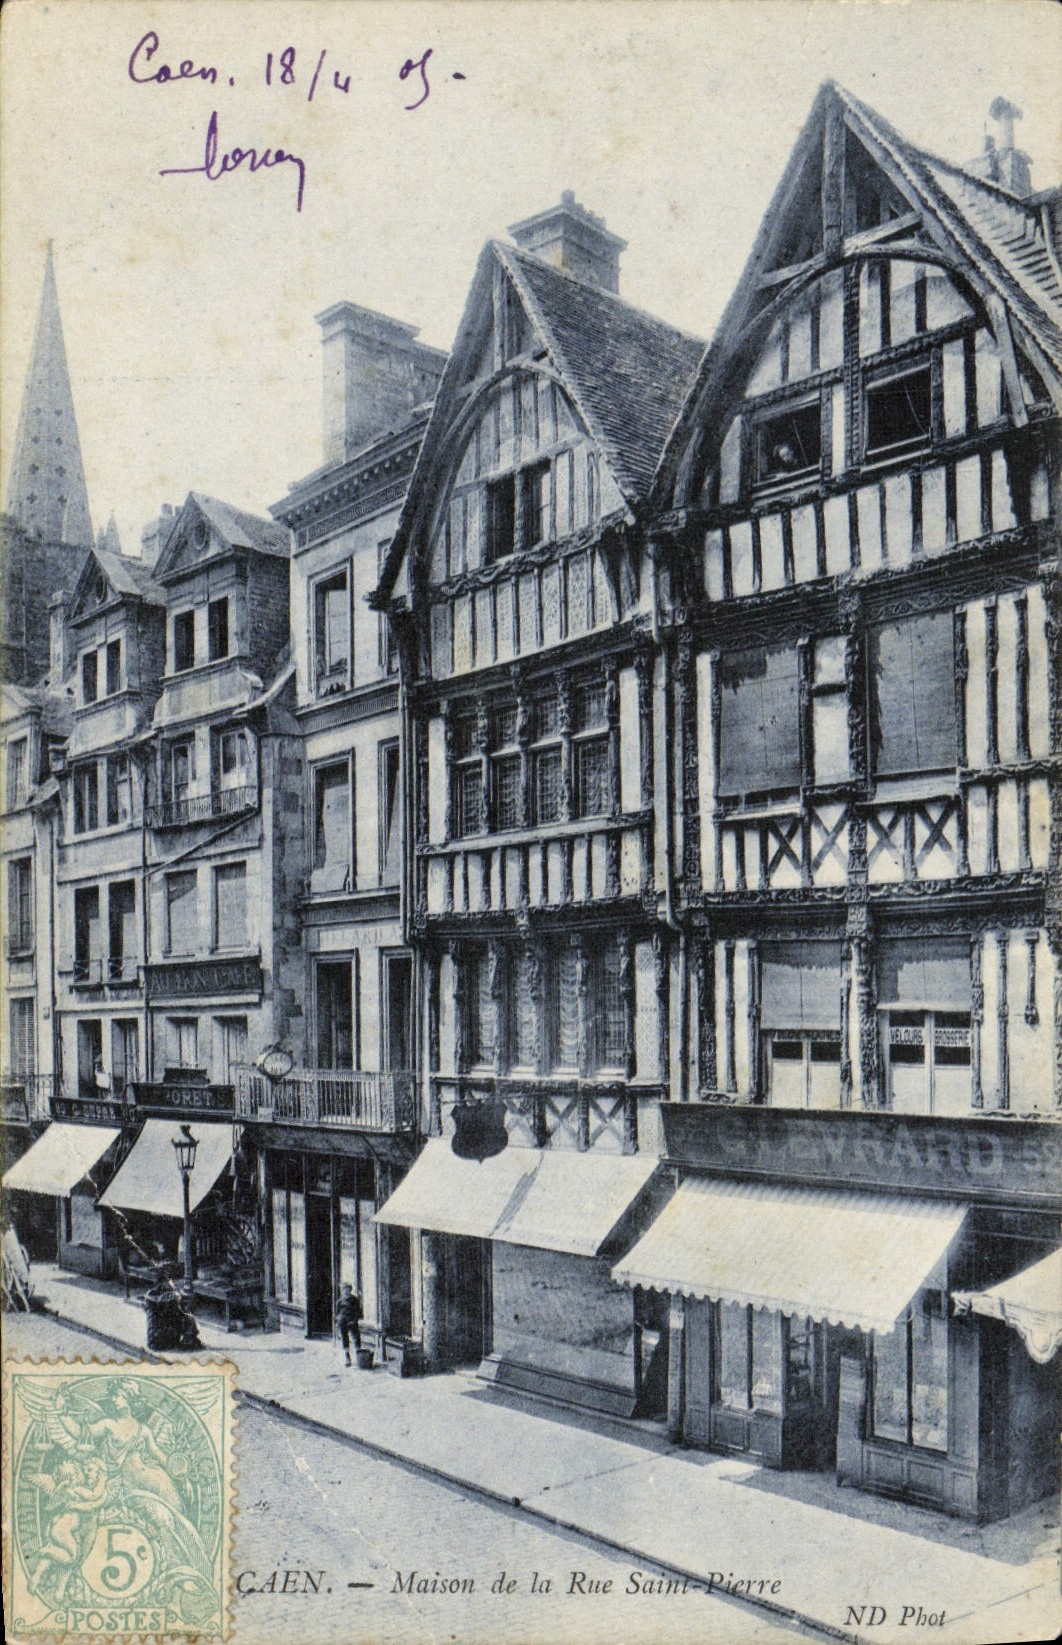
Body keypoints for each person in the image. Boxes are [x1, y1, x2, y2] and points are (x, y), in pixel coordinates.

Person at [334, 1282, 362, 1367]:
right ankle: (347, 1357)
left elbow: (359, 1312)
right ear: (342, 1291)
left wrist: (354, 1320)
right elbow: (337, 1313)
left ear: (351, 1290)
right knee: (344, 1338)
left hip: (353, 1321)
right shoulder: (339, 1302)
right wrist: (338, 1321)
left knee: (356, 1338)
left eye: (348, 1290)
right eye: (344, 1290)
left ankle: (359, 1357)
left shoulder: (355, 1300)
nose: (346, 1292)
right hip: (343, 1322)